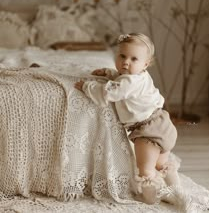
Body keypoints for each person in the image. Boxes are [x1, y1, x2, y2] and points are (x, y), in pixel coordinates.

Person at [74, 33, 180, 204]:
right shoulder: (140, 76)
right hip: (163, 123)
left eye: (133, 59)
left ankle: (149, 198)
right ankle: (176, 190)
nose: (126, 62)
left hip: (148, 132)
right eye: (122, 56)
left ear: (145, 63)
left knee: (145, 169)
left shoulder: (129, 83)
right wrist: (108, 72)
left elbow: (110, 92)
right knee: (161, 164)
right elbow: (121, 78)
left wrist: (87, 86)